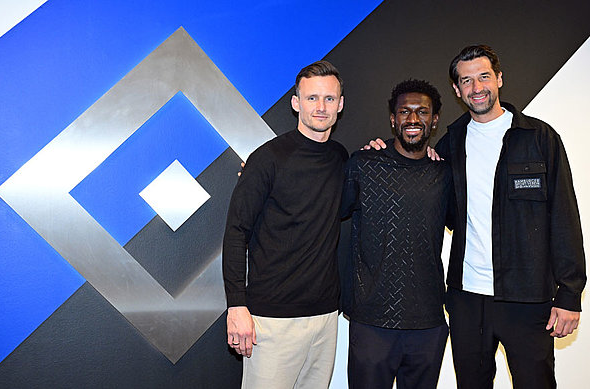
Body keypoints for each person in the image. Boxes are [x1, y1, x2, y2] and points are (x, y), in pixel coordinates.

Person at [368, 45, 586, 388]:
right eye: (466, 80)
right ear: (457, 91)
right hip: (467, 300)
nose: (476, 87)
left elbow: (564, 217)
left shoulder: (539, 138)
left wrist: (570, 294)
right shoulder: (451, 143)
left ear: (499, 78)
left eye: (484, 76)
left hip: (527, 299)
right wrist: (377, 151)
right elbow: (431, 196)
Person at [222, 60, 347, 389]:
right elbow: (236, 233)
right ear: (296, 103)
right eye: (312, 98)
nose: (321, 107)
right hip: (271, 320)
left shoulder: (340, 158)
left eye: (329, 99)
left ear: (340, 104)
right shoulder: (267, 159)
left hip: (325, 317)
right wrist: (236, 306)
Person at [341, 80, 452, 389]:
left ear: (434, 120)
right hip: (372, 322)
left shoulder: (445, 174)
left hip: (428, 323)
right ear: (393, 119)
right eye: (405, 111)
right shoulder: (363, 165)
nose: (413, 120)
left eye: (422, 112)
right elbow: (323, 209)